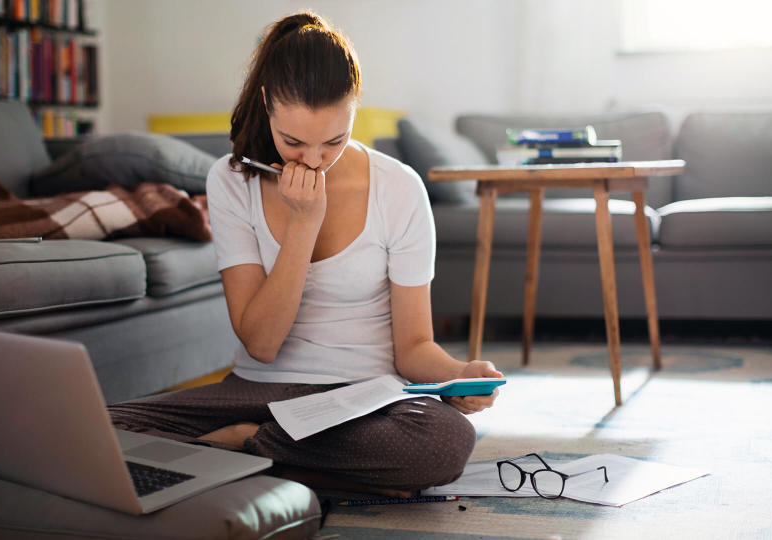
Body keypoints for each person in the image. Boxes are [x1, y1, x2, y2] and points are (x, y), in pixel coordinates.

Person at [108, 11, 503, 491]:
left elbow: (414, 348)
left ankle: (248, 448)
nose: (314, 160)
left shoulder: (398, 188)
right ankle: (294, 460)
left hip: (364, 403)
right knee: (100, 426)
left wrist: (459, 375)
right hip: (256, 392)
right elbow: (262, 344)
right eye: (293, 142)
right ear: (267, 106)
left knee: (443, 441)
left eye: (333, 141)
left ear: (355, 110)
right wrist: (303, 226)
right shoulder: (232, 181)